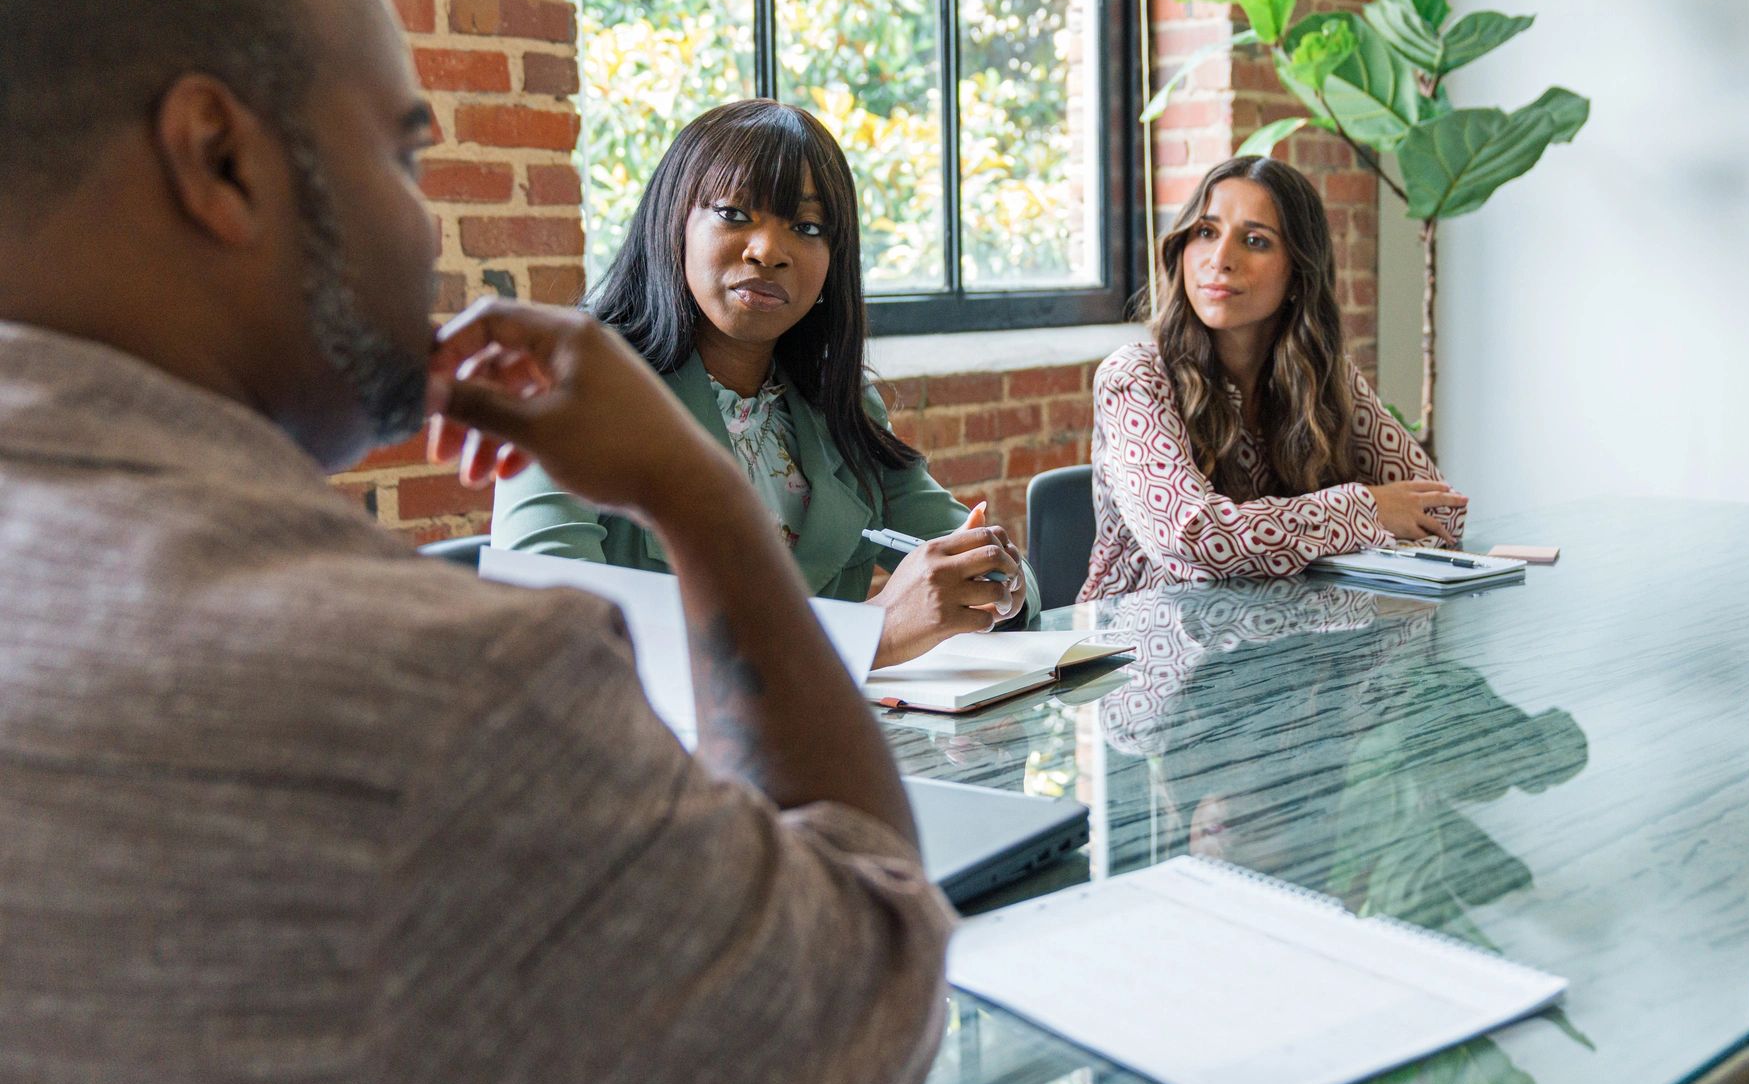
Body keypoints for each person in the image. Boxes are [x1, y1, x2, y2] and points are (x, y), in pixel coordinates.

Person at [0, 0, 950, 1084]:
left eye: (810, 228)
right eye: (404, 154)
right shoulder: (440, 695)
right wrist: (702, 496)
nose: (427, 224)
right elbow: (862, 1002)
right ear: (221, 161)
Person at [491, 100, 1037, 668]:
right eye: (733, 214)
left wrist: (998, 586)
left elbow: (1012, 578)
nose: (768, 251)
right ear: (673, 221)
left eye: (806, 227)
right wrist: (871, 633)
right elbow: (555, 643)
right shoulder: (570, 393)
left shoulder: (841, 406)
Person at [1080, 155, 1468, 601]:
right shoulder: (1135, 377)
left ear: (1299, 274)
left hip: (1292, 643)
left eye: (1255, 241)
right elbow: (1192, 539)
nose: (1220, 259)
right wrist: (1369, 508)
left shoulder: (1327, 376)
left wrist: (1286, 535)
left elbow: (1441, 511)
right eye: (1206, 232)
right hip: (1141, 650)